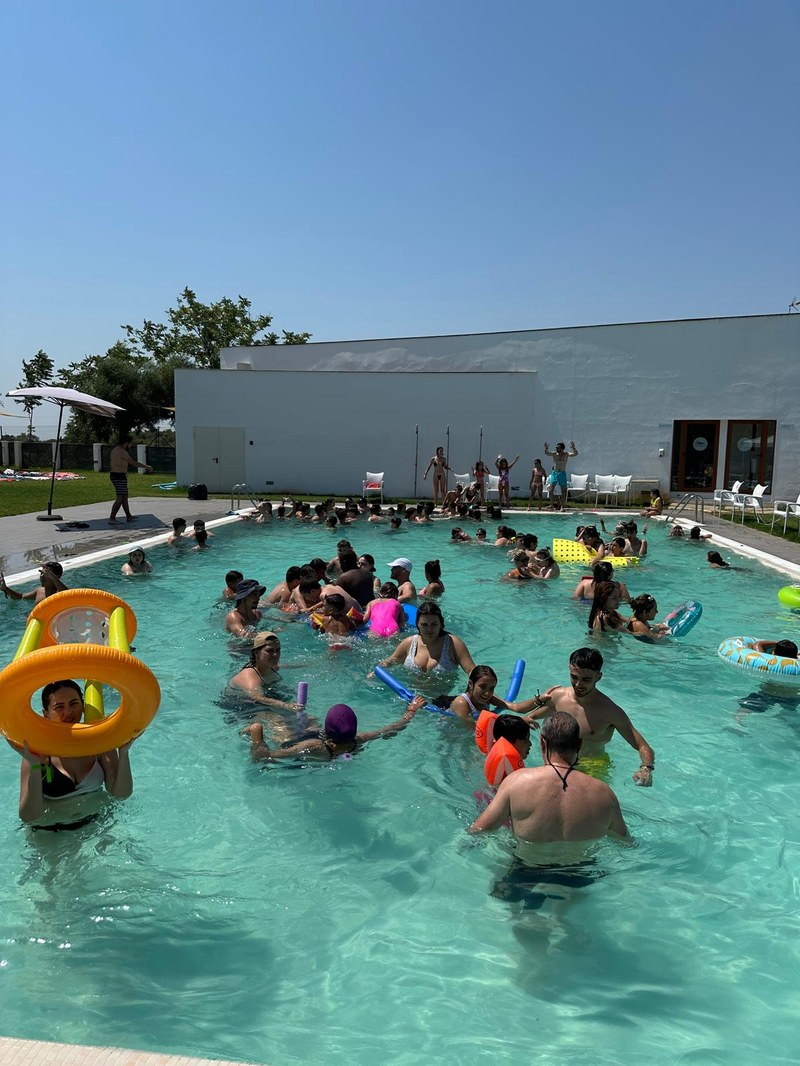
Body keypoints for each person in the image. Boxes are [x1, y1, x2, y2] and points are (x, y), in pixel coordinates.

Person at [468, 711, 630, 845]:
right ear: (579, 745)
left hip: (526, 869)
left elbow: (477, 831)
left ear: (542, 743)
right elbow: (626, 842)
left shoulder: (516, 783)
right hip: (581, 871)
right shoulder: (605, 794)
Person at [522, 648, 655, 786]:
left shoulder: (610, 711)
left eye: (586, 679)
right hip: (557, 761)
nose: (578, 684)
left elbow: (643, 746)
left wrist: (646, 768)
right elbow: (528, 718)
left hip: (593, 766)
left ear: (598, 677)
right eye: (574, 677)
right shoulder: (558, 697)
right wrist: (525, 722)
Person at [16, 679, 134, 828]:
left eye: (74, 703)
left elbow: (121, 795)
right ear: (46, 714)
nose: (68, 712)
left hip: (95, 828)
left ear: (83, 707)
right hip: (49, 834)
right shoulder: (38, 752)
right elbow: (29, 817)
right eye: (59, 707)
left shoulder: (99, 743)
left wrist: (123, 753)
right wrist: (35, 766)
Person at [242, 696, 426, 763]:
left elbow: (266, 757)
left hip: (304, 741)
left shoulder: (314, 746)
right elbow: (391, 729)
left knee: (271, 717)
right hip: (319, 740)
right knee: (308, 720)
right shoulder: (358, 740)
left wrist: (258, 739)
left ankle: (254, 728)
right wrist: (411, 711)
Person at [374, 601, 475, 678]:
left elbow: (471, 670)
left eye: (434, 624)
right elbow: (390, 661)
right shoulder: (409, 643)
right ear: (417, 624)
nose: (429, 629)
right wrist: (375, 672)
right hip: (412, 696)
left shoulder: (453, 644)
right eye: (424, 625)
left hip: (442, 698)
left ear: (441, 624)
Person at [227, 632, 302, 710]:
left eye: (277, 650)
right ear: (256, 653)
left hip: (264, 700)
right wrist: (285, 705)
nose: (275, 654)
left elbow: (287, 666)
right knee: (276, 717)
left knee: (306, 716)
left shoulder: (271, 667)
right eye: (270, 650)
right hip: (240, 705)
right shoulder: (248, 676)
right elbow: (257, 698)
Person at [450, 664, 542, 726]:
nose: (487, 693)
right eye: (482, 687)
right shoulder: (461, 703)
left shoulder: (488, 698)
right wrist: (520, 721)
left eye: (491, 688)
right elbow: (475, 727)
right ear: (471, 684)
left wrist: (540, 699)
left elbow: (516, 707)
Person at [108, 439, 153, 523]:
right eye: (129, 444)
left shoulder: (114, 449)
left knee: (124, 496)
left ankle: (128, 516)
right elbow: (133, 463)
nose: (130, 446)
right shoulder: (122, 451)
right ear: (125, 443)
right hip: (119, 476)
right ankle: (112, 518)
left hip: (118, 475)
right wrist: (147, 467)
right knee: (120, 497)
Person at [1, 561, 67, 604]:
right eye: (41, 573)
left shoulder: (60, 593)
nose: (42, 576)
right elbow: (20, 597)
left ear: (56, 577)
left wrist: (53, 577)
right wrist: (6, 589)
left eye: (46, 574)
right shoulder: (39, 591)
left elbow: (68, 594)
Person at [544, 440, 578, 511]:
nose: (556, 449)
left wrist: (573, 448)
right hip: (555, 473)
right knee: (551, 490)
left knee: (563, 491)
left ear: (562, 448)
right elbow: (547, 453)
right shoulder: (554, 454)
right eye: (556, 447)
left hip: (562, 473)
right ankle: (552, 505)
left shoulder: (566, 454)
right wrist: (546, 448)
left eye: (558, 448)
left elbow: (575, 454)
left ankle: (562, 507)